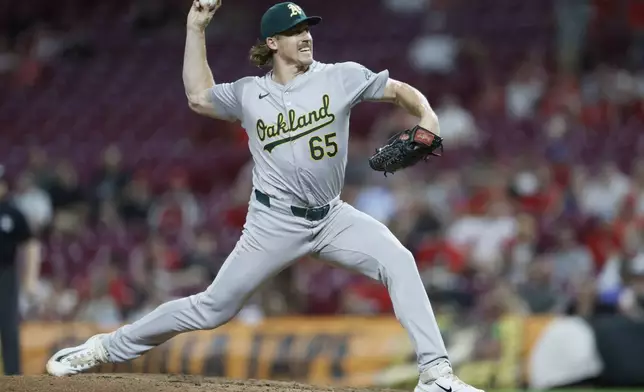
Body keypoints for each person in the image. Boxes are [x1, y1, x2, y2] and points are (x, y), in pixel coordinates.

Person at [46, 2, 483, 392]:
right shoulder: (249, 93)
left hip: (332, 217)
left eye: (307, 28)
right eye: (294, 31)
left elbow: (398, 91)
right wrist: (196, 29)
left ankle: (436, 375)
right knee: (211, 308)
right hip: (273, 223)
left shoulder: (340, 76)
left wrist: (428, 115)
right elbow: (199, 98)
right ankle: (104, 348)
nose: (306, 35)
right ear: (273, 42)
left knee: (399, 260)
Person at [0, 165, 42, 375]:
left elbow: (30, 244)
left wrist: (30, 278)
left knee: (8, 326)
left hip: (5, 274)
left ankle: (13, 377)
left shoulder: (12, 213)